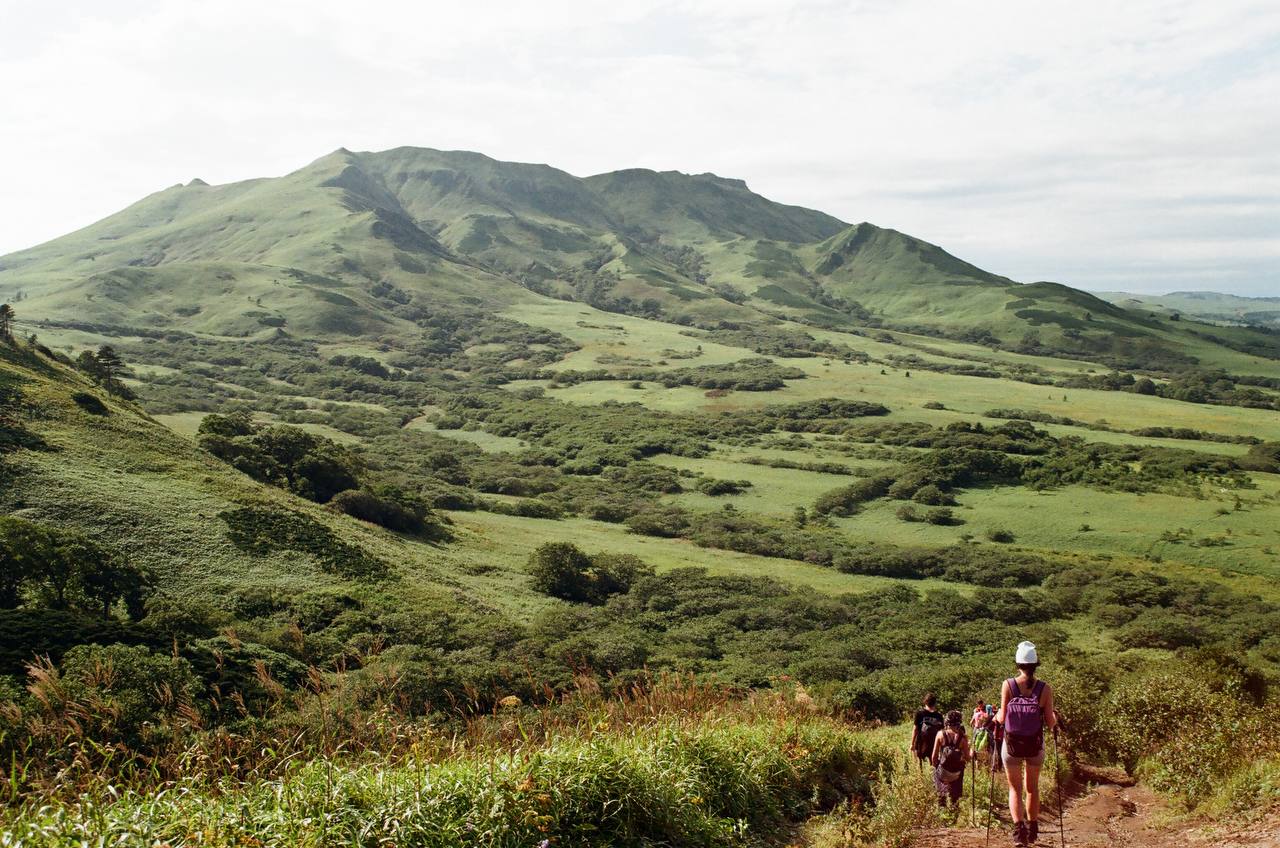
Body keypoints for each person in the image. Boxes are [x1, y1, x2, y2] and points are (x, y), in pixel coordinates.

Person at [996, 641, 1057, 847]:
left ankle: (1019, 832)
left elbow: (1002, 718)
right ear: (1035, 664)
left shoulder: (1008, 685)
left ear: (1018, 664)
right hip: (1035, 746)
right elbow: (1050, 722)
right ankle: (1032, 828)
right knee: (1032, 788)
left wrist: (995, 716)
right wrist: (1056, 719)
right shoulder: (1045, 689)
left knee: (1015, 789)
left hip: (1011, 746)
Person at [931, 709, 971, 809]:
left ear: (947, 721)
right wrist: (971, 752)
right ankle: (955, 806)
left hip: (943, 772)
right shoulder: (963, 738)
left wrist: (937, 768)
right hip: (956, 773)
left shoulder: (940, 734)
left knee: (940, 789)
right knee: (956, 795)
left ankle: (942, 806)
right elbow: (967, 758)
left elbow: (934, 757)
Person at [910, 692, 944, 770]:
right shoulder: (939, 716)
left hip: (921, 743)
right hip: (934, 744)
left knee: (919, 765)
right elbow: (942, 732)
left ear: (925, 702)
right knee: (934, 764)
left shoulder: (920, 714)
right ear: (935, 703)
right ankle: (934, 776)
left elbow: (915, 729)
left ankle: (920, 776)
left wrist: (912, 744)